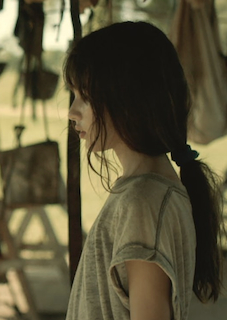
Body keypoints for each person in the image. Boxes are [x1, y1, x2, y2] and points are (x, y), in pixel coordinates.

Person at [65, 21, 224, 320]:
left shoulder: (145, 203)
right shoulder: (142, 194)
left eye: (84, 97)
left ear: (127, 99)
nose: (72, 112)